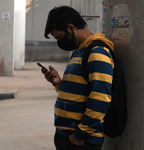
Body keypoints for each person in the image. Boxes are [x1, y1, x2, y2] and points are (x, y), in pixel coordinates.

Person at [42, 6, 114, 150]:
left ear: (71, 27)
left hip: (81, 141)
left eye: (60, 37)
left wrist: (79, 136)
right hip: (67, 136)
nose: (60, 43)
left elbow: (100, 99)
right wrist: (58, 83)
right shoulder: (81, 51)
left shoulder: (97, 53)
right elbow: (78, 92)